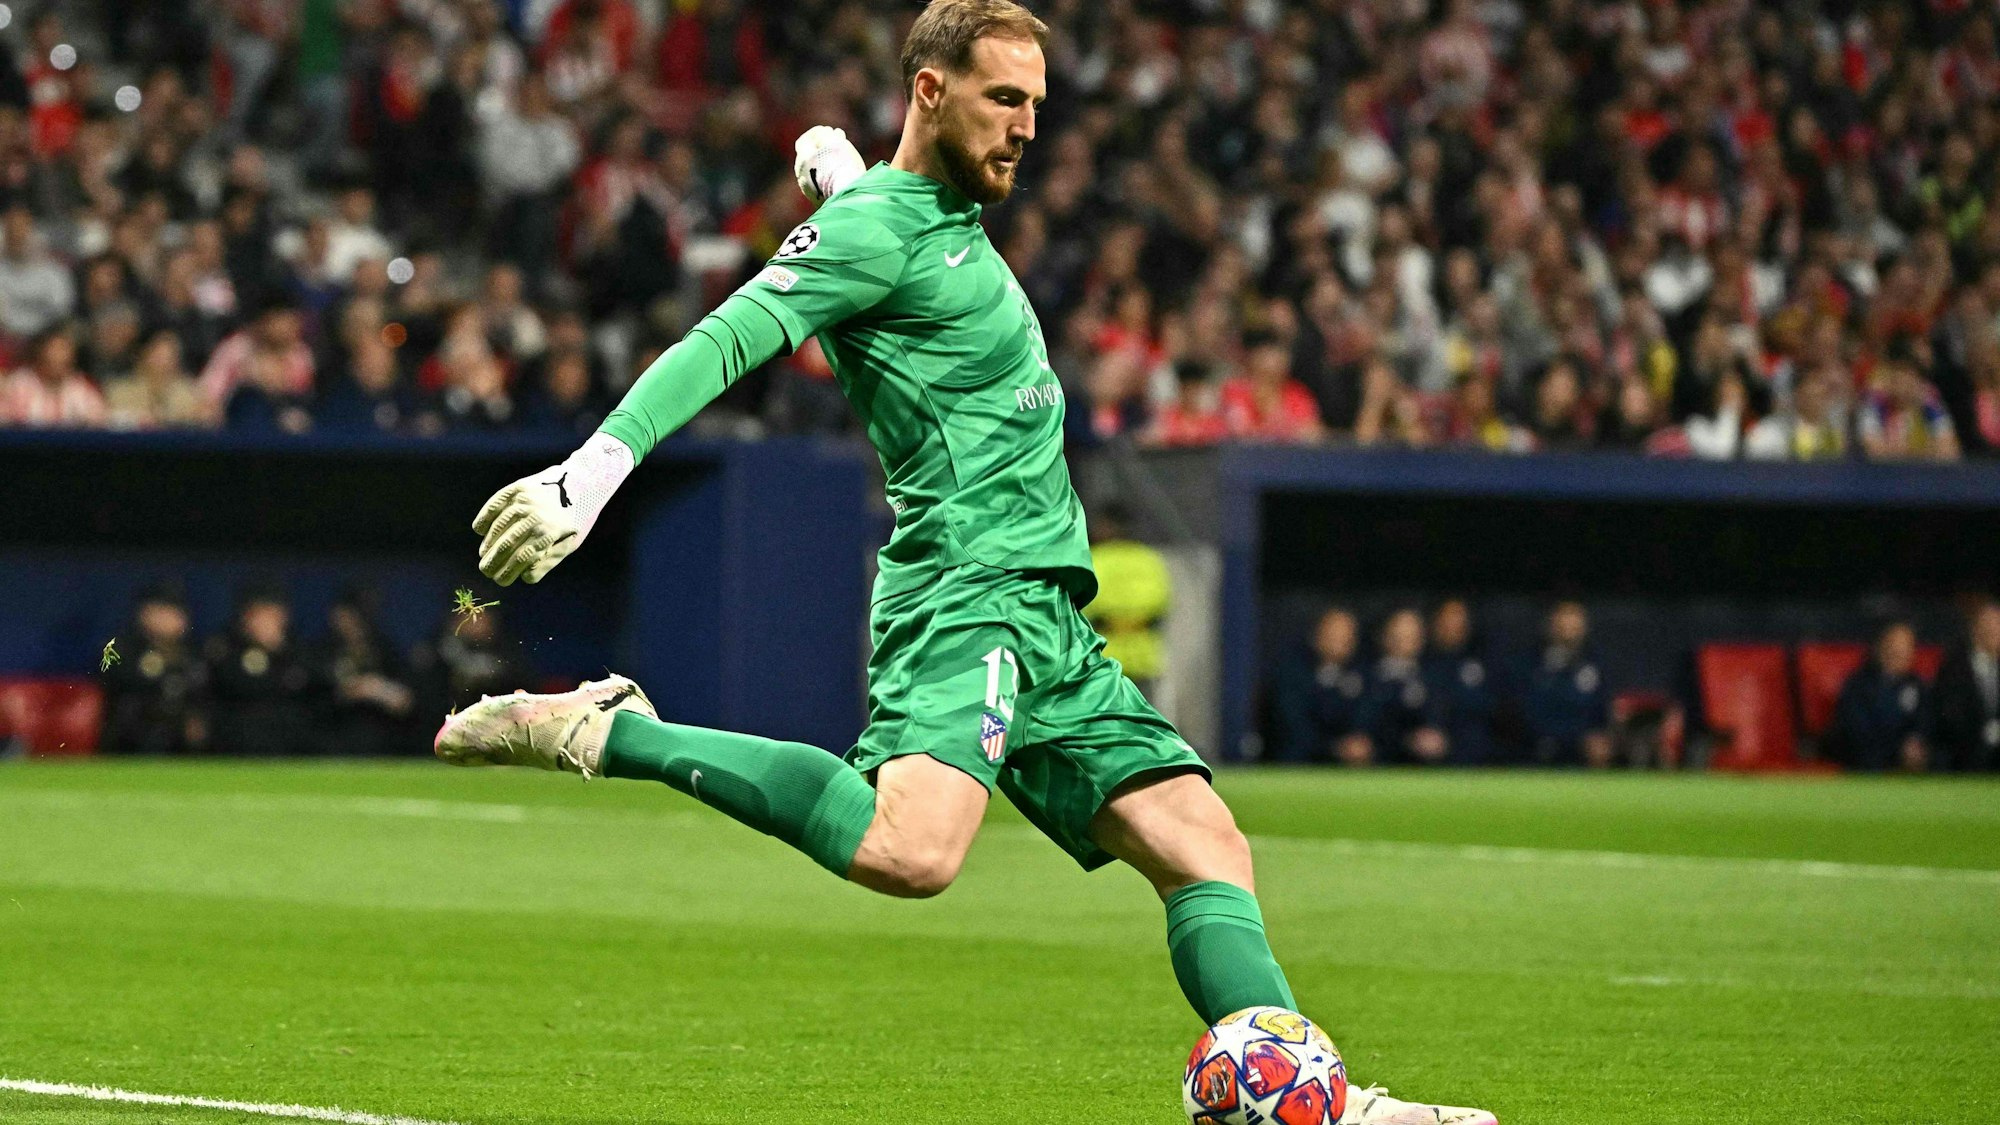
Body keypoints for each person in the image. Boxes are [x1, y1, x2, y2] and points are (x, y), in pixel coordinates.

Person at [432, 7, 1491, 1121]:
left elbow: (900, 271)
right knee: (912, 851)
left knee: (1202, 844)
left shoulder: (924, 211)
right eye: (1004, 99)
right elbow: (728, 336)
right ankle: (608, 728)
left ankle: (1309, 1103)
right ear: (929, 92)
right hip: (964, 590)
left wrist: (847, 183)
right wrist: (589, 474)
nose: (1027, 127)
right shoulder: (881, 227)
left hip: (1045, 610)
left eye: (1037, 104)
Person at [204, 585, 316, 757]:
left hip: (289, 750)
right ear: (245, 617)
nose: (266, 622)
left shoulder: (297, 652)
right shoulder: (225, 649)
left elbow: (308, 689)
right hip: (234, 749)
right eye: (260, 615)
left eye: (272, 615)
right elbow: (235, 686)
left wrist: (278, 651)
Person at [100, 583, 207, 755]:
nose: (167, 619)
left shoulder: (194, 653)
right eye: (161, 611)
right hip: (131, 742)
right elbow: (119, 683)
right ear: (144, 613)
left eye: (173, 612)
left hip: (181, 744)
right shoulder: (121, 648)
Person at [1270, 607, 1374, 765]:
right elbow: (1293, 728)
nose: (1340, 641)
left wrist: (1359, 745)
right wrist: (1334, 748)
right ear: (1316, 635)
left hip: (1354, 770)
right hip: (1298, 766)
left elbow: (1371, 723)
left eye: (1346, 635)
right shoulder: (1291, 675)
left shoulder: (1366, 677)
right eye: (1333, 634)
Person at [1829, 621, 1931, 772]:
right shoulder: (1858, 685)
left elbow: (1926, 721)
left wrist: (1916, 742)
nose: (1900, 651)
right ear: (1880, 647)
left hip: (1911, 764)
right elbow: (1856, 731)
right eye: (1894, 645)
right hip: (1870, 762)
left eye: (1906, 646)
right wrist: (1897, 750)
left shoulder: (1918, 685)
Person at [1520, 601, 1612, 767]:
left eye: (1575, 617)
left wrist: (1601, 736)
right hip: (1537, 748)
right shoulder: (1532, 663)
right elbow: (1527, 710)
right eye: (1564, 616)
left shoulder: (1596, 664)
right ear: (1551, 623)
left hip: (1584, 750)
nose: (1570, 624)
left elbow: (1602, 710)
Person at [1363, 608, 1448, 764]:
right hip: (1374, 765)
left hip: (1426, 768)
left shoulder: (1434, 677)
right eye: (1398, 634)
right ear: (1385, 636)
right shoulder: (1365, 677)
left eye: (1411, 634)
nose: (1404, 639)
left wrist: (1434, 737)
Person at [1423, 598, 1497, 765]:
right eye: (1447, 618)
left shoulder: (1484, 663)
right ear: (1434, 621)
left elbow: (1491, 708)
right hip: (1416, 760)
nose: (1454, 624)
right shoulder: (1421, 663)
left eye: (1459, 618)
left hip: (1474, 759)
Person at [1934, 602, 2000, 772]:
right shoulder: (1955, 667)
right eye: (1989, 625)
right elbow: (1949, 714)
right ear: (1975, 629)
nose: (1995, 631)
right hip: (1965, 759)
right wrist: (1982, 734)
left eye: (1998, 625)